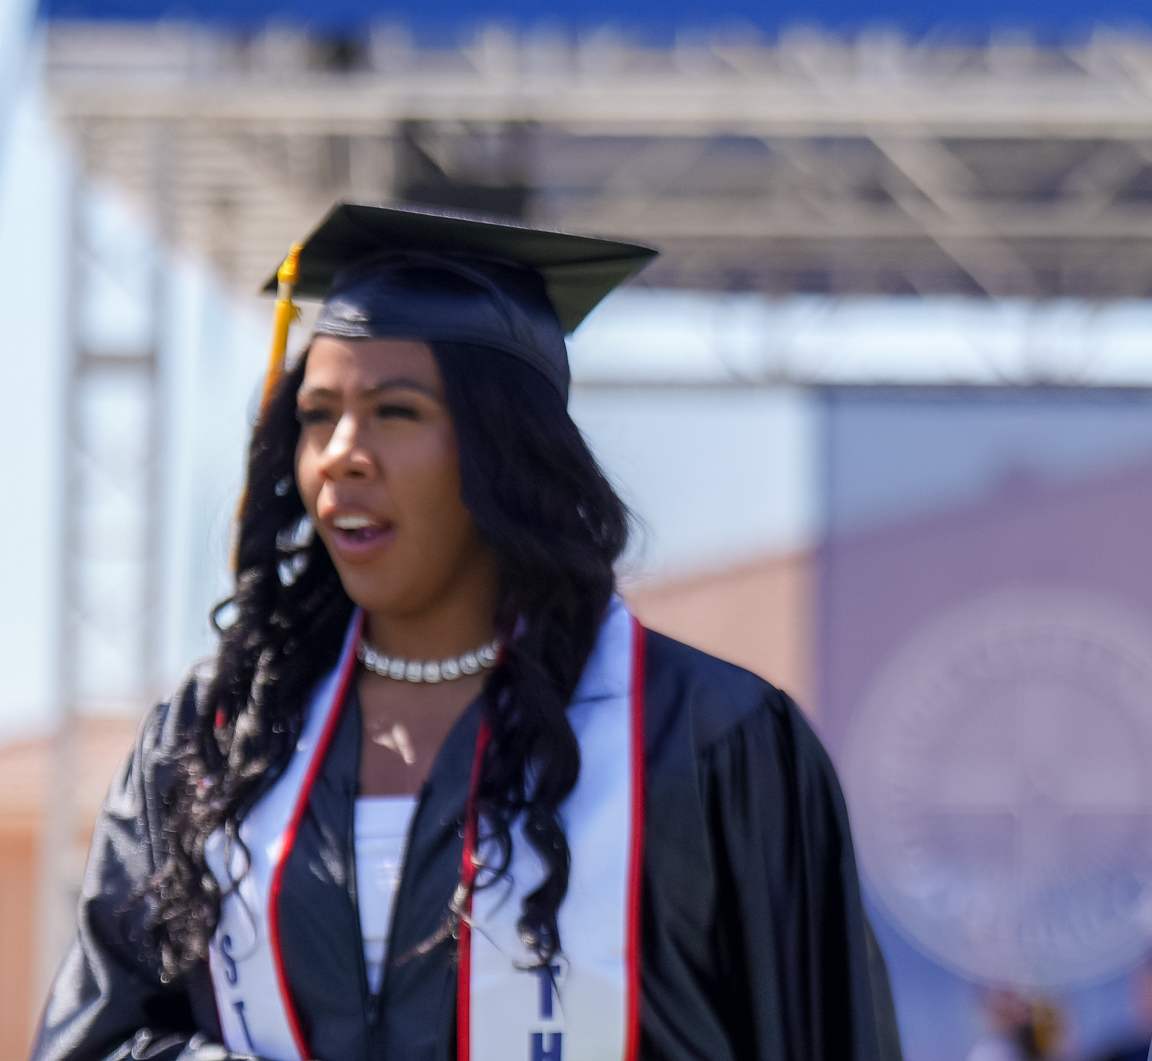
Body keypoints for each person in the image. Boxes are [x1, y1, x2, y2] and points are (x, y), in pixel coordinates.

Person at [38, 203, 902, 1061]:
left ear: (504, 450)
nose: (343, 451)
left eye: (397, 411)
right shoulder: (217, 743)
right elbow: (95, 1041)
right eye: (317, 414)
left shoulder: (710, 742)